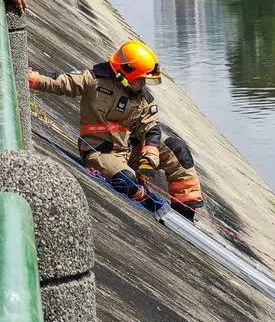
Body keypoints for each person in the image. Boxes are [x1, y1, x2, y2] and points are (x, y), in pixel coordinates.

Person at [28, 40, 204, 219]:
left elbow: (151, 127)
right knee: (126, 181)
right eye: (140, 79)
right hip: (101, 154)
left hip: (130, 151)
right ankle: (150, 202)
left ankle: (185, 213)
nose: (143, 84)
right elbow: (61, 82)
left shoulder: (143, 100)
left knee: (177, 149)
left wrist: (149, 155)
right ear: (125, 73)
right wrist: (29, 78)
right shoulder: (93, 80)